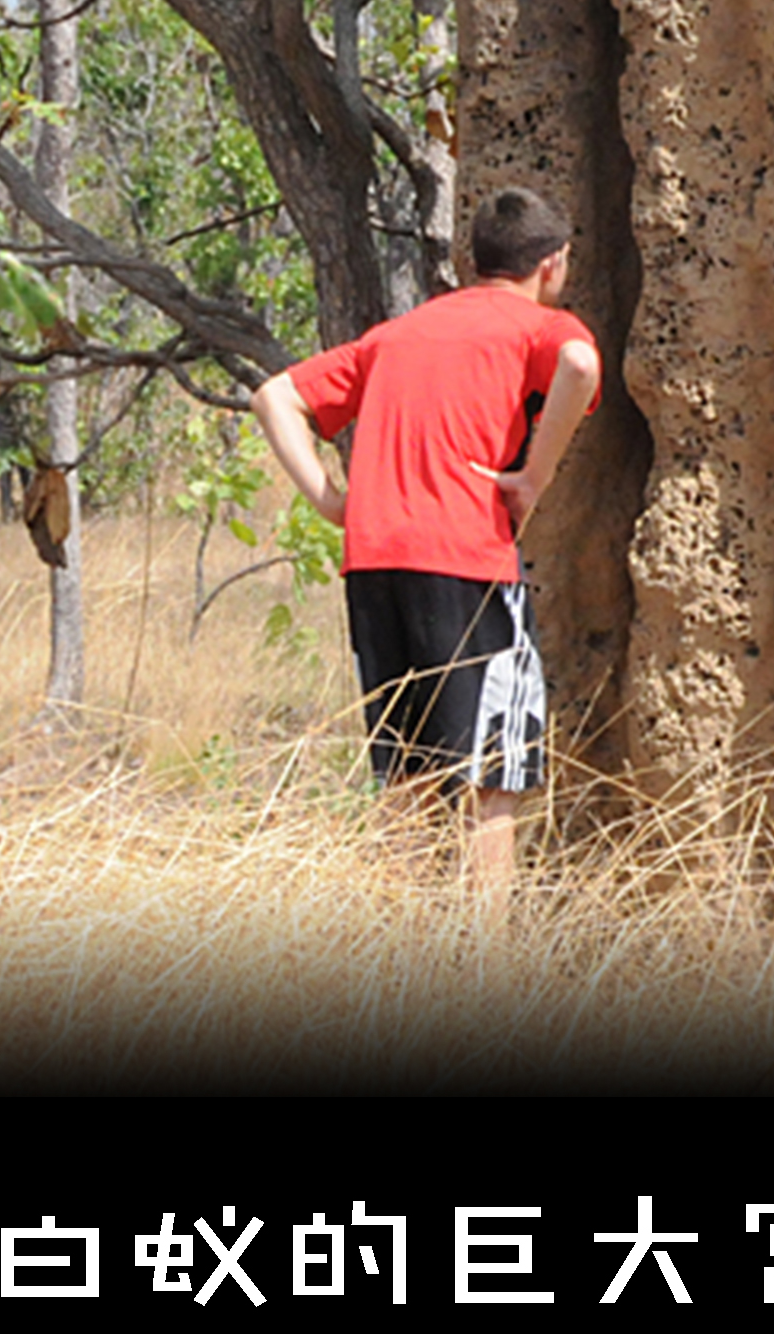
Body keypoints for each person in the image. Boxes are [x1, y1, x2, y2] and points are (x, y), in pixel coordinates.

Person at [250, 185, 601, 887]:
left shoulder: (398, 333)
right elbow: (581, 367)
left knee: (407, 776)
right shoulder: (536, 327)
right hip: (466, 565)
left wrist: (331, 501)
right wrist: (532, 477)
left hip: (375, 566)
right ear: (553, 264)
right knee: (493, 778)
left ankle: (401, 959)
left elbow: (274, 395)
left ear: (474, 260)